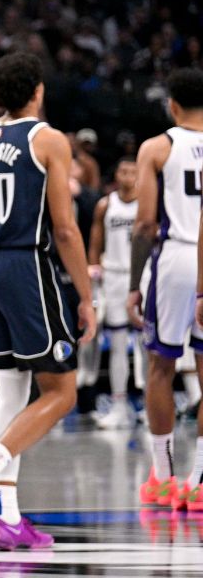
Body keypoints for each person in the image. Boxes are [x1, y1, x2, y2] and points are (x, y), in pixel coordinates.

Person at [0, 51, 96, 550]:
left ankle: (5, 517)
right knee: (63, 391)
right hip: (24, 265)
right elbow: (67, 229)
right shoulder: (48, 138)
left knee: (11, 392)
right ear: (37, 91)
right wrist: (87, 298)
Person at [131, 68, 203, 512]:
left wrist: (136, 283)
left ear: (171, 105)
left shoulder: (158, 147)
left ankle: (163, 476)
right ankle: (200, 482)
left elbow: (143, 222)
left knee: (161, 367)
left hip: (175, 255)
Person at [88, 157, 140, 429]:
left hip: (145, 276)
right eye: (123, 170)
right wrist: (93, 267)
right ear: (116, 174)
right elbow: (96, 241)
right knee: (118, 343)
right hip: (115, 277)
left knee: (148, 344)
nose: (128, 175)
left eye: (133, 171)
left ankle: (147, 404)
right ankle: (119, 405)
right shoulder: (106, 205)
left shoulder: (148, 202)